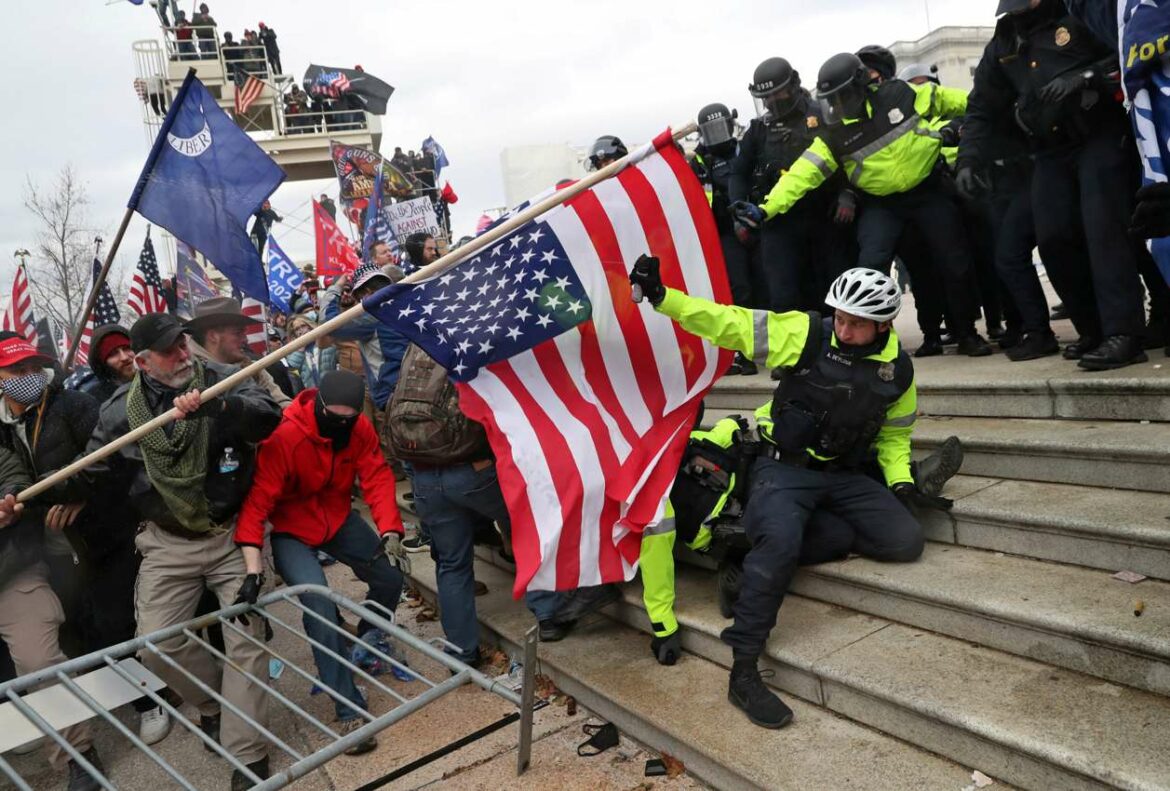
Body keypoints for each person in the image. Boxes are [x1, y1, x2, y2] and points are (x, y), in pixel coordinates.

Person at [630, 257, 928, 729]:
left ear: (885, 325)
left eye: (857, 325)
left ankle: (749, 555)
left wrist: (900, 481)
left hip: (841, 474)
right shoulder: (806, 335)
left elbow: (894, 435)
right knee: (782, 544)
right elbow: (727, 322)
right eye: (841, 318)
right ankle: (743, 670)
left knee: (904, 541)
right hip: (782, 469)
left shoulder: (898, 371)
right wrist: (664, 297)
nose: (844, 330)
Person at [70, 313, 282, 788]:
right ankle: (214, 708)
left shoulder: (223, 382)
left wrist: (220, 409)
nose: (184, 354)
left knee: (245, 640)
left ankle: (248, 756)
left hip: (231, 536)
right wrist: (35, 498)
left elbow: (268, 417)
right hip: (166, 541)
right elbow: (92, 469)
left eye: (183, 344)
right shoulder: (119, 412)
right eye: (170, 351)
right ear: (143, 363)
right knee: (157, 644)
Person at [735, 52, 993, 357]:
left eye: (842, 96)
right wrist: (765, 208)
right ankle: (869, 343)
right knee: (868, 270)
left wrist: (991, 112)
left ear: (861, 85)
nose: (837, 105)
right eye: (832, 99)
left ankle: (967, 333)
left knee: (954, 262)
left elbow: (968, 101)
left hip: (928, 192)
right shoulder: (834, 131)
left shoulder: (901, 94)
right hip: (881, 204)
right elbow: (802, 174)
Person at [958, 0, 1149, 370]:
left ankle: (1124, 334)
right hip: (1050, 151)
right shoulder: (1006, 38)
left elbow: (1128, 52)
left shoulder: (1080, 12)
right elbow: (981, 106)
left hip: (1098, 136)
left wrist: (1086, 76)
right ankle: (1092, 330)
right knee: (1054, 238)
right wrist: (968, 159)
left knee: (1104, 231)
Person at [235, 370, 405, 754]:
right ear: (320, 406)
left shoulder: (359, 428)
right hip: (291, 529)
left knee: (390, 577)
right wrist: (253, 565)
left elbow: (376, 475)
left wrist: (391, 529)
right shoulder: (285, 436)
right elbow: (258, 502)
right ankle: (346, 708)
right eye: (335, 416)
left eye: (349, 417)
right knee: (320, 604)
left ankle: (364, 638)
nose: (341, 424)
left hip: (339, 516)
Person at [385, 345, 562, 652]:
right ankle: (548, 614)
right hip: (474, 470)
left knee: (452, 565)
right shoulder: (473, 339)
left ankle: (462, 651)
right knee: (527, 529)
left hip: (425, 475)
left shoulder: (415, 341)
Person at [0, 443, 102, 791]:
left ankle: (78, 754)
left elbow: (12, 477)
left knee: (40, 660)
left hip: (10, 574)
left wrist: (9, 500)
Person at [730, 57, 854, 325]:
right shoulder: (758, 130)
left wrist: (848, 193)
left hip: (825, 217)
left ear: (794, 85)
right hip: (777, 221)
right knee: (783, 294)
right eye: (766, 96)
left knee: (833, 289)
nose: (772, 101)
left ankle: (837, 349)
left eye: (777, 93)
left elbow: (849, 157)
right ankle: (792, 356)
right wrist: (738, 211)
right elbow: (738, 173)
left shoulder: (822, 116)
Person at [691, 102, 761, 375]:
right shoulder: (699, 160)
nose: (717, 135)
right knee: (738, 291)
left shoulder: (748, 147)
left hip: (759, 224)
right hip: (724, 234)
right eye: (711, 130)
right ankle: (743, 353)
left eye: (722, 127)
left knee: (771, 288)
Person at [185, 297, 291, 409]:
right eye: (238, 333)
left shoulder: (253, 369)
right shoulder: (188, 376)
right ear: (213, 336)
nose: (246, 339)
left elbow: (284, 406)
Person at [71, 324, 136, 403]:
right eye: (113, 354)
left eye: (126, 348)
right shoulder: (96, 399)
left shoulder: (153, 378)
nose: (124, 357)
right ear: (103, 364)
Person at [285, 314, 337, 391]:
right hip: (313, 396)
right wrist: (300, 349)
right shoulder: (295, 353)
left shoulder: (323, 341)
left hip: (333, 388)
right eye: (297, 329)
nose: (301, 330)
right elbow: (292, 369)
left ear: (309, 325)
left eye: (303, 326)